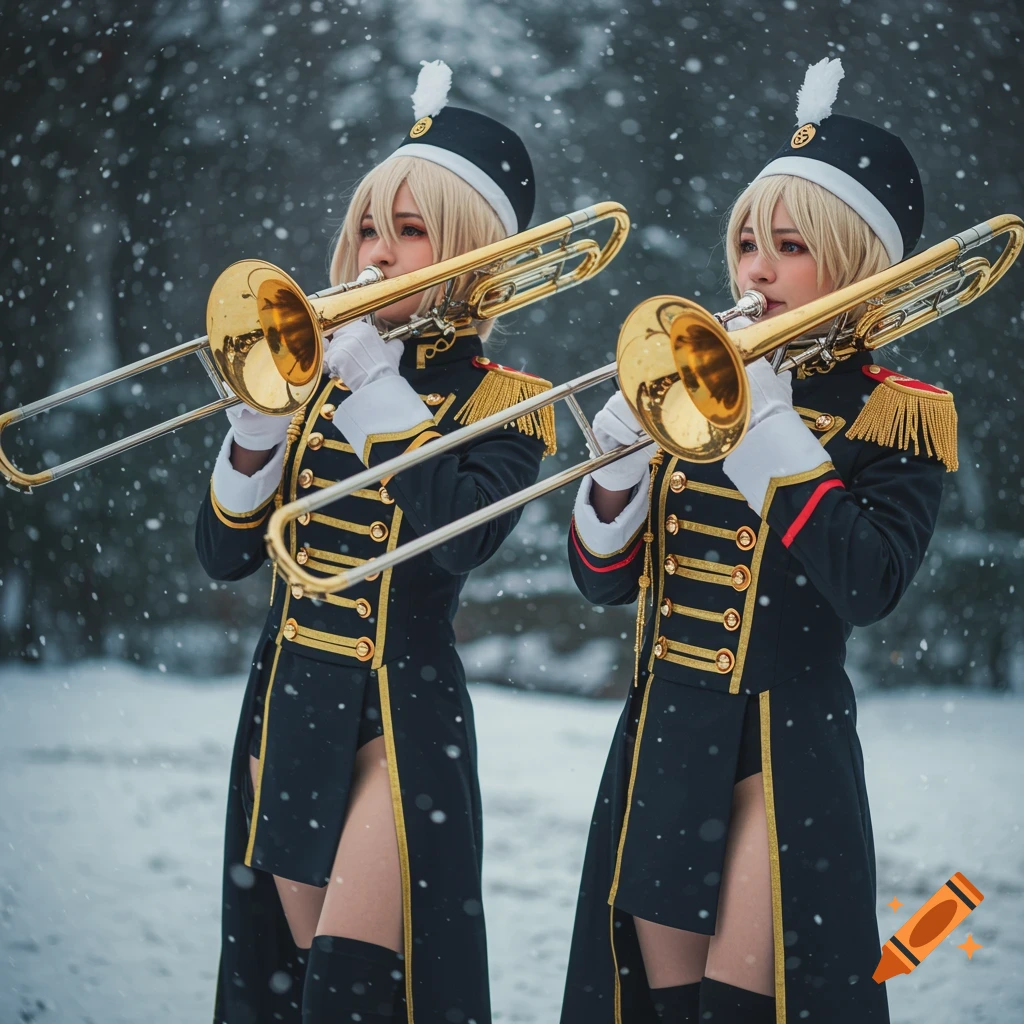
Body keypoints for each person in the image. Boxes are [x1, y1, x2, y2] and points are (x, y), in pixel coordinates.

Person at [560, 58, 957, 1024]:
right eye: (746, 243)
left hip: (792, 743)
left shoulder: (900, 412)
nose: (755, 270)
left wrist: (772, 435)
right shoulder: (696, 388)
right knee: (662, 1008)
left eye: (788, 245)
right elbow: (604, 583)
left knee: (753, 1005)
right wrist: (615, 462)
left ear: (856, 260)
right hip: (665, 737)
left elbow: (869, 585)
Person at [195, 60, 556, 1024]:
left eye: (410, 231)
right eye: (368, 226)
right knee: (294, 986)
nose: (378, 252)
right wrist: (256, 434)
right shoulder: (313, 373)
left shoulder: (506, 402)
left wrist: (380, 395)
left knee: (358, 990)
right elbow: (226, 556)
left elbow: (453, 546)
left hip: (403, 710)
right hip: (289, 702)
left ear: (471, 252)